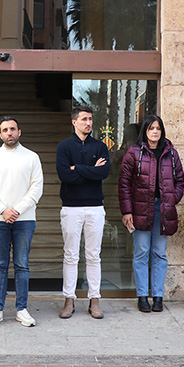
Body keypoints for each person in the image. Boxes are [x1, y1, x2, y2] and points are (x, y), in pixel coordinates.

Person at [118, 115, 184, 313]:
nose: (155, 132)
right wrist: (127, 211)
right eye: (151, 128)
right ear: (145, 132)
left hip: (163, 209)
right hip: (140, 209)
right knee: (141, 252)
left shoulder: (171, 153)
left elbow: (180, 180)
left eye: (158, 128)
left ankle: (157, 296)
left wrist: (172, 199)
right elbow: (124, 184)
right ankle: (142, 297)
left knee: (159, 253)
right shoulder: (134, 153)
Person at [0, 116, 43, 327]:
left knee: (22, 265)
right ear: (0, 135)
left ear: (19, 132)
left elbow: (36, 188)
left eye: (13, 129)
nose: (9, 132)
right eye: (5, 130)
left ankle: (22, 309)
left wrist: (15, 210)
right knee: (0, 265)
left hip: (25, 220)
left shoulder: (32, 157)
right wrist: (2, 210)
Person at [55, 104, 111, 319]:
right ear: (74, 121)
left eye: (90, 119)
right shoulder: (64, 147)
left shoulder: (100, 146)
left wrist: (76, 168)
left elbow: (103, 172)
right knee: (70, 255)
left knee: (93, 255)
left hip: (95, 207)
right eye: (84, 119)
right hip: (71, 207)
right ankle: (69, 299)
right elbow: (64, 176)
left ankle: (94, 299)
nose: (88, 123)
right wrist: (90, 170)